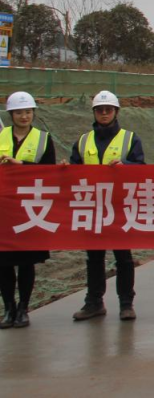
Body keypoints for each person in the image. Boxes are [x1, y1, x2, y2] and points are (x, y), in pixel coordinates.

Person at [70, 90, 145, 322]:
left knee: (123, 257)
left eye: (108, 110)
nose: (104, 113)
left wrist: (126, 166)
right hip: (93, 207)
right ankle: (94, 302)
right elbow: (73, 171)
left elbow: (141, 168)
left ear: (116, 112)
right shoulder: (83, 141)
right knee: (94, 258)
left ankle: (126, 303)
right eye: (100, 110)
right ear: (94, 112)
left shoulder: (130, 139)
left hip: (119, 207)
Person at [0, 92, 55, 329]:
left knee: (26, 261)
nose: (24, 116)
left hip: (30, 209)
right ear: (11, 114)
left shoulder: (43, 139)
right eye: (19, 112)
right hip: (4, 209)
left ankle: (23, 308)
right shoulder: (1, 136)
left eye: (28, 112)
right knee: (3, 262)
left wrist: (22, 165)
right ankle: (8, 308)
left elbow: (49, 172)